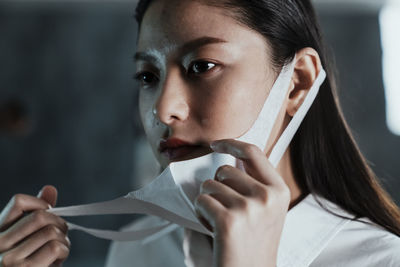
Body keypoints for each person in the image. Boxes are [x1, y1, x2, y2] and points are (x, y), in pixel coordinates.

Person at [1, 0, 399, 266]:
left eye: (201, 66)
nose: (162, 109)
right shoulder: (138, 248)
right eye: (147, 76)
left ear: (296, 82)